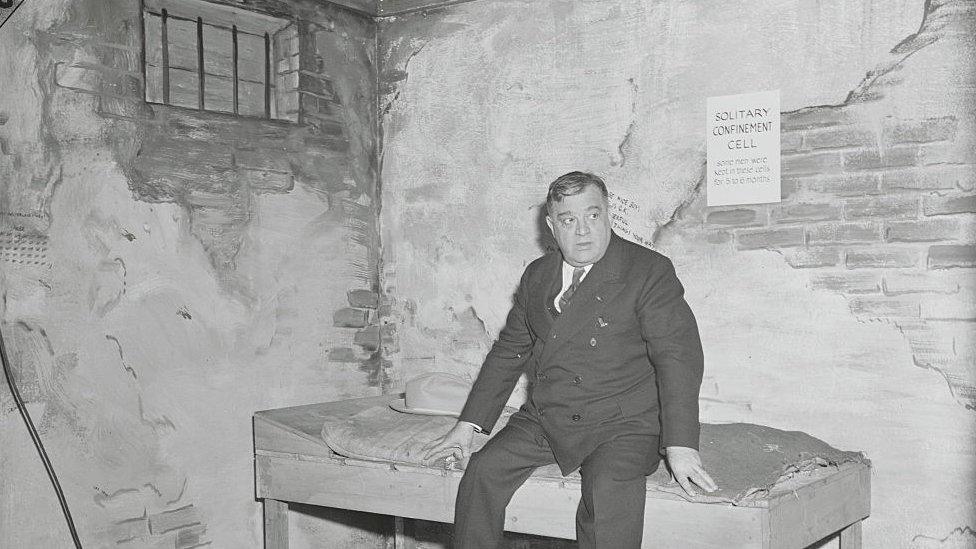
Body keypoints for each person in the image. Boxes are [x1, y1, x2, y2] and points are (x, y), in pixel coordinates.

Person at [423, 171, 716, 548]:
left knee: (608, 488)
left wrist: (680, 444)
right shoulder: (538, 275)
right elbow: (509, 351)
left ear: (607, 214)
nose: (583, 232)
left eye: (593, 216)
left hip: (623, 422)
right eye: (568, 220)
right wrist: (468, 425)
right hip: (550, 416)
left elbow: (678, 359)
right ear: (551, 226)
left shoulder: (647, 271)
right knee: (482, 472)